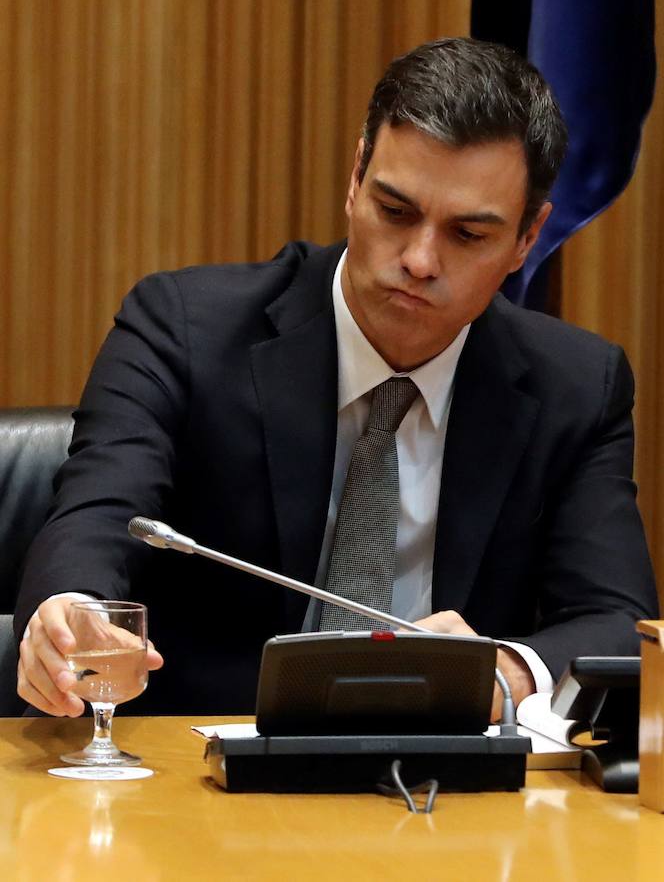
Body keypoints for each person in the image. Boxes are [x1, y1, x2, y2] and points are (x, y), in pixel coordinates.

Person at [14, 38, 658, 719]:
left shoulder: (577, 387)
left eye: (468, 235)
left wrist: (501, 674)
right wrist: (69, 613)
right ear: (356, 178)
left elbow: (618, 622)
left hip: (447, 792)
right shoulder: (184, 329)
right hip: (199, 776)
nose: (418, 259)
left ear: (527, 239)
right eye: (396, 211)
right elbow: (99, 512)